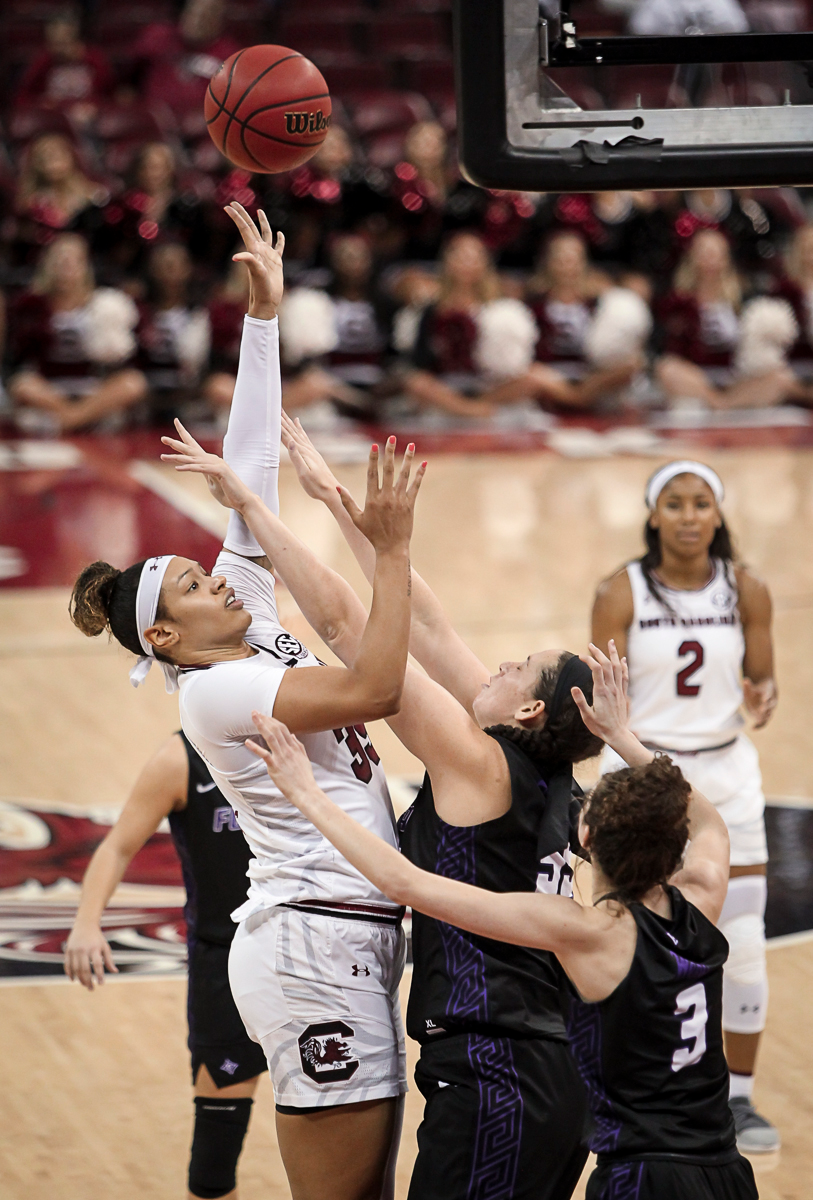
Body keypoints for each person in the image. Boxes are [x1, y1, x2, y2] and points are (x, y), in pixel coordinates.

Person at [68, 202, 424, 1200]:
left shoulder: (247, 618)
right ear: (168, 638)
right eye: (193, 585)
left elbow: (252, 462)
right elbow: (376, 686)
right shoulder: (218, 692)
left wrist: (261, 314)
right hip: (312, 939)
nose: (217, 576)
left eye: (206, 568)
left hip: (350, 925)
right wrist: (391, 556)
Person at [162, 415, 606, 1200]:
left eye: (517, 667)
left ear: (529, 712)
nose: (496, 663)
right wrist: (334, 500)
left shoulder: (477, 763)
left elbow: (351, 631)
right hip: (545, 1060)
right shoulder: (532, 769)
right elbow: (425, 624)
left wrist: (261, 511)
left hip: (498, 1066)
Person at [244, 641, 759, 1200]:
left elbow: (405, 883)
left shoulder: (583, 931)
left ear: (583, 837)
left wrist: (304, 791)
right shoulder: (700, 901)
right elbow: (709, 824)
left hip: (640, 1175)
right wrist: (619, 736)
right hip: (724, 1170)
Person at [591, 458, 780, 1153]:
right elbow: (604, 682)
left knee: (747, 941)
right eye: (674, 504)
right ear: (651, 516)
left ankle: (739, 1100)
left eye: (701, 503)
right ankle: (624, 1085)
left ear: (718, 514)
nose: (690, 516)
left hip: (726, 773)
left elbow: (762, 682)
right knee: (626, 937)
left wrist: (762, 697)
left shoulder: (747, 589)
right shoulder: (620, 590)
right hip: (644, 768)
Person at [65, 733, 267, 1200]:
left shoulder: (304, 737)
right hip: (225, 966)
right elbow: (118, 846)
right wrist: (86, 922)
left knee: (335, 1138)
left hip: (307, 954)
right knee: (214, 1166)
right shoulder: (179, 759)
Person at [7, 233, 147, 433]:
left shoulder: (104, 303)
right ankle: (80, 419)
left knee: (133, 382)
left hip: (92, 388)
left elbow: (121, 353)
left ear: (85, 267)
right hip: (49, 388)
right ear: (48, 266)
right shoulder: (32, 305)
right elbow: (21, 356)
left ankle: (69, 420)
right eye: (60, 262)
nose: (66, 269)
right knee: (22, 385)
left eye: (73, 262)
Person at [655, 228, 807, 410]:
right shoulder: (677, 300)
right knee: (667, 369)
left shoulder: (744, 295)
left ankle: (726, 403)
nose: (710, 259)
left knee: (779, 377)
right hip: (696, 375)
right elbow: (667, 349)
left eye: (716, 253)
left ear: (725, 257)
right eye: (704, 252)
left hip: (736, 376)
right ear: (692, 257)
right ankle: (719, 403)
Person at [15, 8, 115, 125]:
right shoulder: (43, 61)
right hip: (52, 120)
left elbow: (110, 95)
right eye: (53, 43)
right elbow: (23, 97)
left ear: (75, 37)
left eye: (63, 42)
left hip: (89, 120)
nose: (58, 49)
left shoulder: (94, 58)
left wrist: (93, 106)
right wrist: (41, 105)